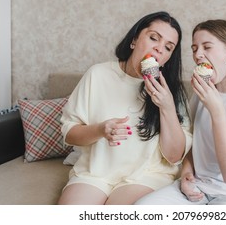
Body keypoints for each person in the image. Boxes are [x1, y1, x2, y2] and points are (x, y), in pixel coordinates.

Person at [136, 19, 226, 205]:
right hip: (199, 188)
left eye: (207, 47)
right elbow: (196, 146)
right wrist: (186, 174)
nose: (198, 55)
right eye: (194, 49)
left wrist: (217, 112)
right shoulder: (202, 91)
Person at [57, 11, 192, 205]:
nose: (159, 49)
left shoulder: (172, 92)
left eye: (168, 48)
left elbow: (174, 156)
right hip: (95, 173)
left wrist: (167, 107)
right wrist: (100, 130)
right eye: (154, 38)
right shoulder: (98, 74)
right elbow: (69, 134)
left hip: (146, 175)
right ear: (134, 40)